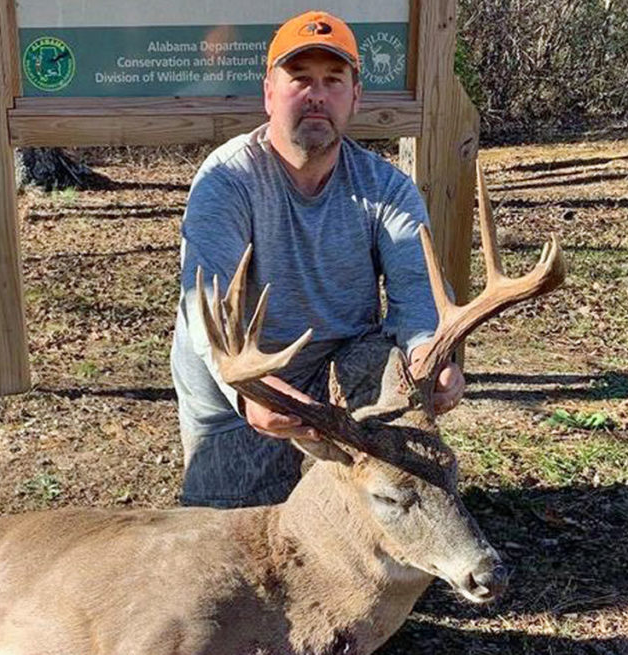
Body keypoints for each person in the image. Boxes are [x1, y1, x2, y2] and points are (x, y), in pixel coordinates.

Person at [170, 10, 465, 508]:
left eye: (333, 80)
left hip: (344, 369)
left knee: (389, 514)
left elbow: (418, 292)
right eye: (300, 79)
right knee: (230, 544)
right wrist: (250, 394)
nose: (317, 95)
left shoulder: (386, 188)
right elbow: (207, 310)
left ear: (355, 96)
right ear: (269, 92)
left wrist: (427, 356)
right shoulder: (226, 181)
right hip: (245, 379)